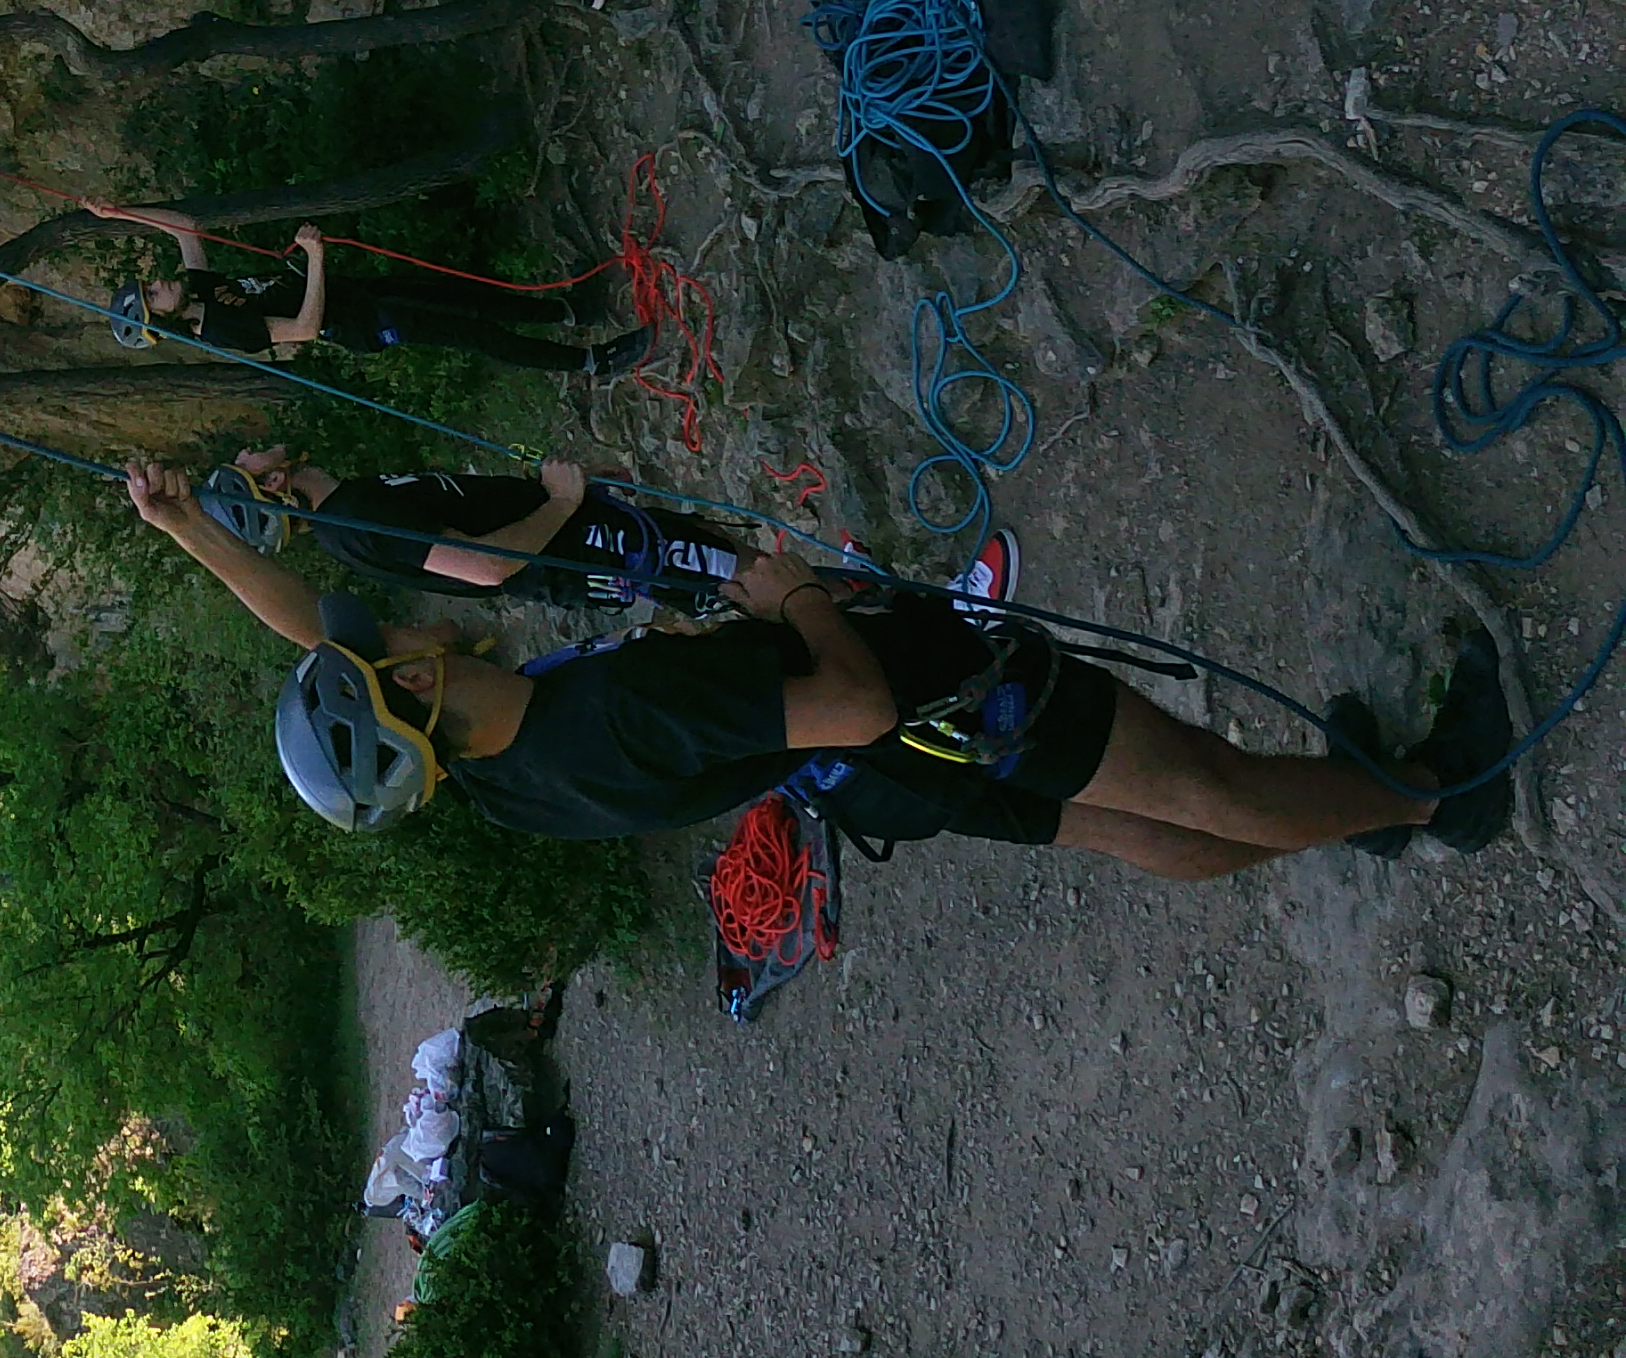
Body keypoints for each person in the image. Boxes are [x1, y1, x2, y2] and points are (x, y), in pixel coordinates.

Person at [120, 458, 1516, 880]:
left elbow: (315, 630)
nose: (398, 627)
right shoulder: (620, 709)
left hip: (885, 790)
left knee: (1122, 830)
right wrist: (795, 601)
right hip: (929, 719)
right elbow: (851, 694)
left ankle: (1345, 800)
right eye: (395, 651)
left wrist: (193, 532)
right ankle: (1426, 800)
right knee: (1198, 782)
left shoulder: (498, 778)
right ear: (417, 692)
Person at [87, 205, 651, 377]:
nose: (161, 282)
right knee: (472, 333)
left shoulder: (199, 289)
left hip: (357, 293)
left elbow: (187, 225)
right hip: (358, 323)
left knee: (461, 296)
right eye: (153, 293)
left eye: (151, 282)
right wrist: (315, 261)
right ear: (162, 320)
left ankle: (568, 308)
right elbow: (304, 331)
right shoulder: (223, 330)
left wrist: (120, 213)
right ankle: (590, 361)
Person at [201, 441, 745, 614]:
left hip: (585, 533)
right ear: (271, 482)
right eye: (243, 461)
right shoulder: (356, 520)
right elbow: (486, 567)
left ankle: (824, 594)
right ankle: (826, 602)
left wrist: (554, 493)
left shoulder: (350, 507)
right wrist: (561, 502)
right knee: (741, 574)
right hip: (595, 549)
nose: (248, 449)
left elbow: (477, 516)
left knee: (723, 555)